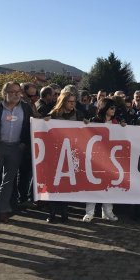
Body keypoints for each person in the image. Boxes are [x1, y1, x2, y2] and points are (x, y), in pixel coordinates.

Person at [0, 82, 33, 223]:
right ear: (5, 93)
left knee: (9, 180)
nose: (16, 94)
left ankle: (3, 210)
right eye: (12, 91)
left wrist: (24, 144)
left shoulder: (26, 108)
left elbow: (31, 126)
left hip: (16, 148)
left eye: (18, 91)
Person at [45, 91, 87, 223]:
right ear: (63, 102)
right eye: (70, 101)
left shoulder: (79, 115)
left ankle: (64, 213)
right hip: (55, 152)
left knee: (66, 184)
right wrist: (44, 122)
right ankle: (52, 213)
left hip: (71, 152)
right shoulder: (53, 114)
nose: (72, 104)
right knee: (53, 183)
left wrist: (86, 123)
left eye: (74, 101)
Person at [82, 97, 120, 223]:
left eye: (114, 108)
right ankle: (89, 212)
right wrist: (86, 124)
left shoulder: (116, 123)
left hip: (110, 159)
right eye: (111, 107)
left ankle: (108, 211)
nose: (113, 110)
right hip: (95, 158)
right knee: (92, 186)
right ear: (105, 108)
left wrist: (123, 127)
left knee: (108, 186)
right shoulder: (94, 121)